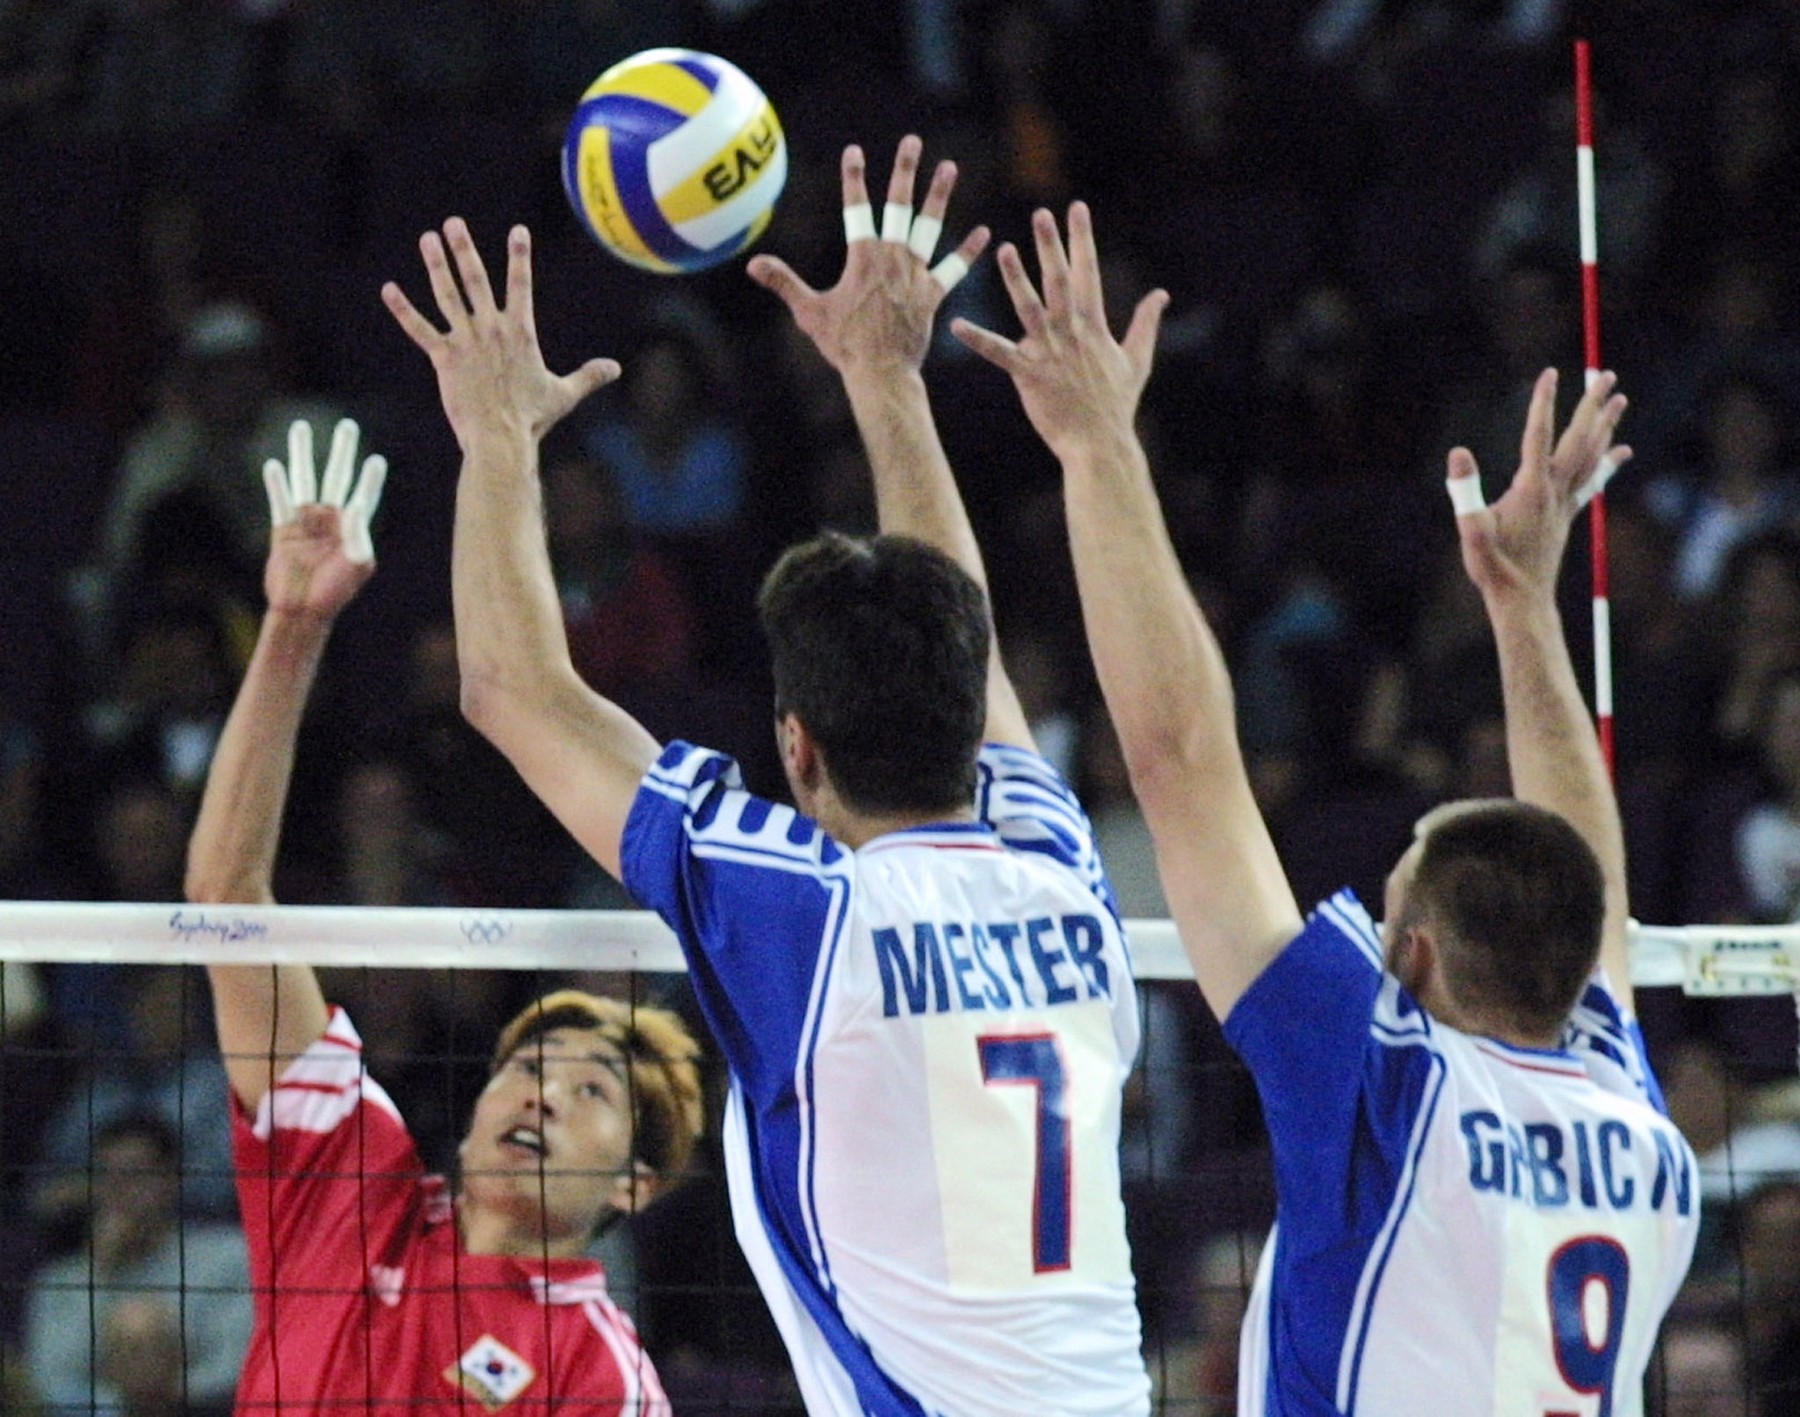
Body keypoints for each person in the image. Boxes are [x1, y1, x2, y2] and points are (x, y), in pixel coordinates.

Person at [381, 136, 1152, 1416]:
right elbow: (967, 646)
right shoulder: (1057, 861)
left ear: (796, 747)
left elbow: (509, 690)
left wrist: (498, 436)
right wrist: (889, 377)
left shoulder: (808, 911)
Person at [952, 203, 1700, 1413]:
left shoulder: (1383, 1087)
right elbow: (1585, 876)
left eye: (1393, 899)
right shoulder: (1639, 1128)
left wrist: (1098, 447)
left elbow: (1181, 762)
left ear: (1415, 953)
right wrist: (1524, 610)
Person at [183, 417, 703, 1414]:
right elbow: (228, 905)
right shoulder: (346, 1181)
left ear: (632, 1185)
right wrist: (292, 626)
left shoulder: (602, 1375)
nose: (542, 1096)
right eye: (529, 1069)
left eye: (591, 1090)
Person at [26, 1112, 251, 1416]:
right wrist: (100, 1270)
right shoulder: (62, 1280)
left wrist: (163, 1400)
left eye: (136, 1174)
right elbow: (52, 1381)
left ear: (172, 1179)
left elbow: (239, 1367)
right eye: (106, 1175)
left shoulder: (229, 1258)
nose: (121, 1189)